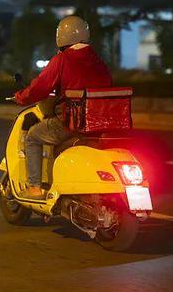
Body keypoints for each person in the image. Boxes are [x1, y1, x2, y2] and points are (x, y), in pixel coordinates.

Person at [13, 15, 112, 199]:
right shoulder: (99, 61)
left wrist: (20, 97)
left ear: (61, 36)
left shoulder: (62, 60)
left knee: (33, 136)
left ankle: (35, 187)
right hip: (100, 123)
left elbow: (40, 87)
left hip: (72, 123)